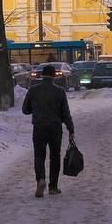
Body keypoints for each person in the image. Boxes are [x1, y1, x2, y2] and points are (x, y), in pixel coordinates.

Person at [21, 64, 75, 197]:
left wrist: (37, 109)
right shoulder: (60, 91)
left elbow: (25, 110)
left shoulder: (33, 90)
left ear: (42, 75)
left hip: (39, 127)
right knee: (55, 156)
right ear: (54, 76)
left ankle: (40, 179)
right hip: (55, 128)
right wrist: (71, 129)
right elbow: (65, 113)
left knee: (39, 156)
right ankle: (53, 186)